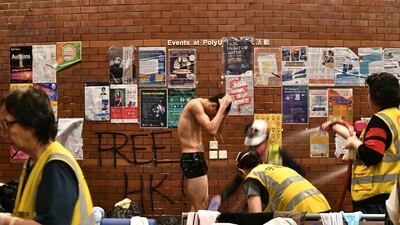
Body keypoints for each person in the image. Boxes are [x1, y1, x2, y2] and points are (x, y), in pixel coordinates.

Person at [0, 87, 95, 225]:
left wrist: (7, 221)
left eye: (6, 124)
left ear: (31, 123)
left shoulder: (56, 166)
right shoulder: (33, 162)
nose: (3, 132)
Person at [321, 72, 400, 214]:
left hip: (375, 199)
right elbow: (369, 142)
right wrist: (336, 128)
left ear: (376, 96)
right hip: (390, 196)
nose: (367, 98)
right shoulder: (394, 117)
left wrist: (354, 144)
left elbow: (371, 154)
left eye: (368, 93)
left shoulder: (380, 121)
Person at [209, 120, 305, 211]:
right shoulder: (249, 158)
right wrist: (221, 197)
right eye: (252, 146)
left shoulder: (279, 154)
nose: (254, 149)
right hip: (259, 199)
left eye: (258, 145)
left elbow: (300, 174)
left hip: (278, 202)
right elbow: (238, 180)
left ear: (266, 140)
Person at [178, 93, 232, 211]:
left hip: (197, 157)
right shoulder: (195, 105)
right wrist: (222, 106)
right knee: (200, 206)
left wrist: (225, 111)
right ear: (213, 106)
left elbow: (218, 131)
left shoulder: (201, 108)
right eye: (214, 113)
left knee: (199, 205)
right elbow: (212, 130)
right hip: (192, 157)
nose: (212, 117)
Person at [236, 150, 331, 213]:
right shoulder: (278, 169)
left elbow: (255, 216)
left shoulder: (252, 176)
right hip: (325, 210)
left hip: (304, 215)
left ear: (242, 171)